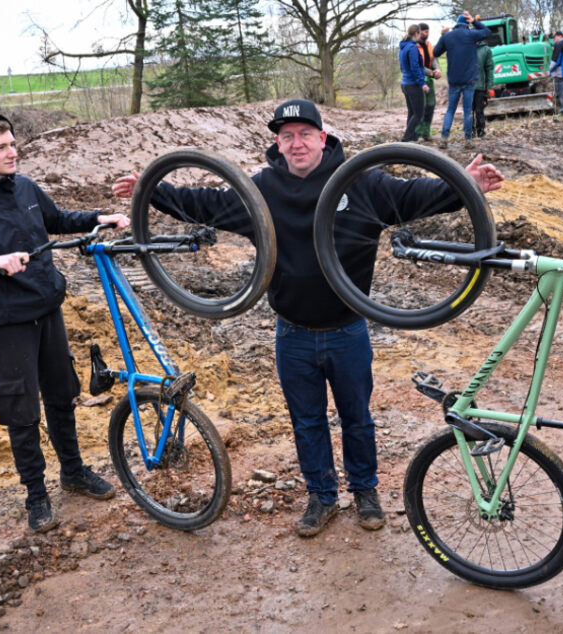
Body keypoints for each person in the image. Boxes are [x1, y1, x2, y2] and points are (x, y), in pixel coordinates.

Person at [113, 99, 505, 538]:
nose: (296, 144)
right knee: (307, 421)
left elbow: (415, 195)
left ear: (323, 137)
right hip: (293, 332)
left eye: (304, 134)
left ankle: (365, 491)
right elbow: (205, 203)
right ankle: (321, 496)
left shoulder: (361, 183)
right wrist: (152, 190)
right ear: (277, 144)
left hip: (348, 329)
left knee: (357, 418)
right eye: (286, 136)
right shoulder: (260, 191)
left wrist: (464, 186)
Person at [0, 114, 130, 533]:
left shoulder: (25, 187)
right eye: (1, 147)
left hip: (45, 307)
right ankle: (36, 495)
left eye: (13, 144)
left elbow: (55, 221)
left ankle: (73, 472)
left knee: (61, 394)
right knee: (21, 410)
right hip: (5, 321)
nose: (12, 152)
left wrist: (97, 218)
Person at [433, 12, 491, 147]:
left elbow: (435, 52)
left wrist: (442, 35)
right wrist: (475, 22)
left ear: (456, 23)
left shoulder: (447, 36)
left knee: (450, 110)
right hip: (469, 80)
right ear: (467, 24)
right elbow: (487, 32)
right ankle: (468, 140)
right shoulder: (471, 35)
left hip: (454, 80)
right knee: (467, 110)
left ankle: (443, 139)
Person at [399, 24, 429, 142]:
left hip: (405, 83)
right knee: (418, 114)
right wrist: (422, 83)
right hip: (413, 85)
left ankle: (412, 137)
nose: (420, 36)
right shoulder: (412, 48)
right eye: (420, 33)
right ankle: (406, 138)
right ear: (416, 34)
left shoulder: (403, 47)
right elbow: (415, 67)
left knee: (412, 113)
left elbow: (402, 67)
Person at [415, 23, 442, 141]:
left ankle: (427, 133)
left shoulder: (429, 45)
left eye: (428, 31)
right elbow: (418, 66)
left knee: (430, 107)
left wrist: (437, 69)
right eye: (424, 31)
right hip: (419, 80)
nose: (427, 34)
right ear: (419, 32)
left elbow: (434, 59)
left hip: (429, 80)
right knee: (420, 107)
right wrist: (432, 73)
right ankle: (418, 134)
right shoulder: (413, 47)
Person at [472, 34, 494, 138]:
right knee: (468, 111)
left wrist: (490, 86)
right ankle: (469, 132)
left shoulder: (486, 50)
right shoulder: (466, 48)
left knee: (479, 110)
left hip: (480, 86)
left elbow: (489, 69)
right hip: (468, 86)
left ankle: (480, 131)